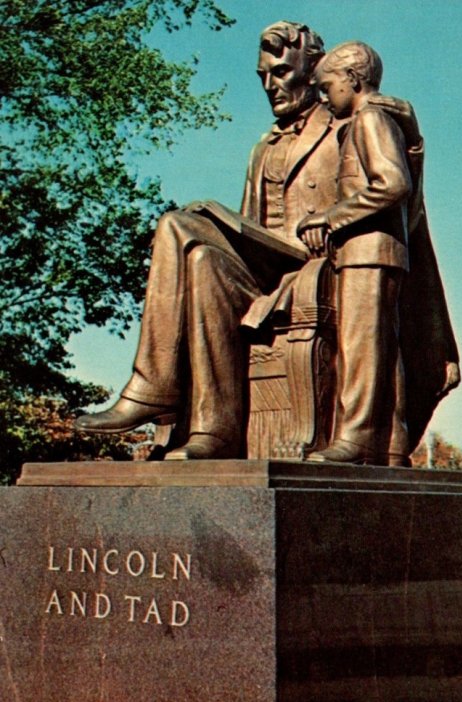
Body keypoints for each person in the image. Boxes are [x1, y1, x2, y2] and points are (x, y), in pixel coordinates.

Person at [75, 20, 340, 459]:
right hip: (263, 270)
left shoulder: (343, 131)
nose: (270, 86)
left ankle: (150, 389)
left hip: (311, 270)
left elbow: (376, 204)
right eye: (263, 77)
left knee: (176, 225)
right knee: (200, 259)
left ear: (313, 70)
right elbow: (252, 226)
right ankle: (213, 432)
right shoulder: (263, 148)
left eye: (281, 74)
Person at [298, 41, 460, 466]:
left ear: (352, 80)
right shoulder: (371, 120)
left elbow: (392, 184)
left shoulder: (370, 118)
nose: (321, 96)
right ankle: (389, 444)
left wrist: (331, 218)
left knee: (360, 348)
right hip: (376, 253)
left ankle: (355, 439)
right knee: (381, 350)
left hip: (368, 253)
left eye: (327, 86)